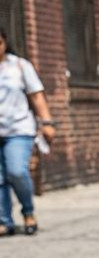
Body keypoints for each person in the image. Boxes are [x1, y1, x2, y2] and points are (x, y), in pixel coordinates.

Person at [0, 26, 55, 235]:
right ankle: (4, 221)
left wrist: (47, 122)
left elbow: (36, 95)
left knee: (16, 171)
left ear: (5, 42)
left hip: (19, 128)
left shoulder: (20, 66)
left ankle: (28, 211)